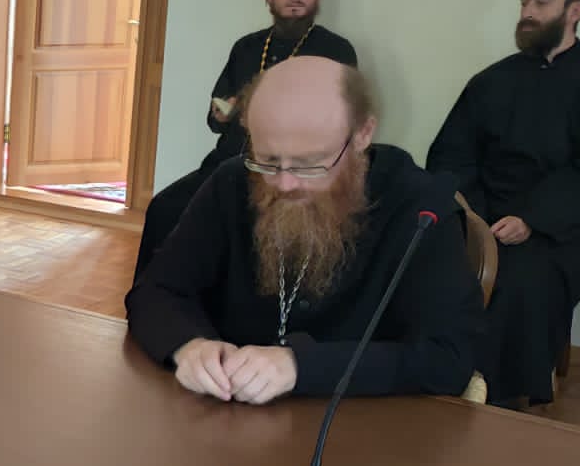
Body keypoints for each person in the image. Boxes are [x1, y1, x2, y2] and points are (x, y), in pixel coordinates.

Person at [127, 56, 482, 405]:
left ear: (362, 133)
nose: (284, 184)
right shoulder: (233, 182)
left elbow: (448, 356)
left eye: (309, 164)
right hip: (226, 415)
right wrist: (189, 345)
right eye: (268, 160)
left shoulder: (420, 209)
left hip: (360, 426)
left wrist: (300, 366)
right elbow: (155, 289)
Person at [426, 0, 580, 407]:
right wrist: (475, 217)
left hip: (557, 230)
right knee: (422, 259)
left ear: (575, 11)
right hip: (480, 215)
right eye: (524, 2)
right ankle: (428, 373)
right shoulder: (490, 81)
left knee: (520, 280)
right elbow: (450, 155)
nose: (527, 12)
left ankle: (492, 395)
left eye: (541, 2)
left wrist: (531, 220)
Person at [133, 0, 358, 282]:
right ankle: (153, 295)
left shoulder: (336, 51)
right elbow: (215, 118)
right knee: (164, 208)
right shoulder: (247, 48)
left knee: (243, 231)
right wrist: (222, 115)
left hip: (288, 173)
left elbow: (342, 124)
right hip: (227, 165)